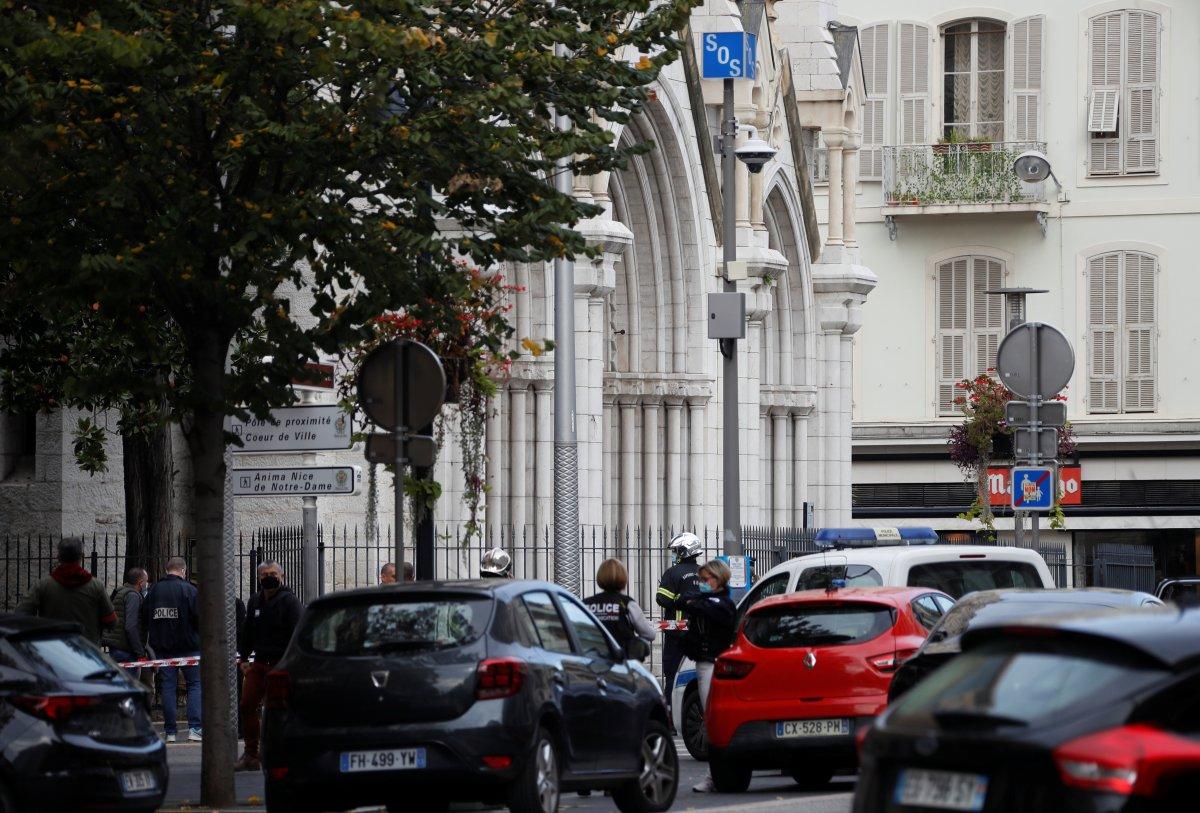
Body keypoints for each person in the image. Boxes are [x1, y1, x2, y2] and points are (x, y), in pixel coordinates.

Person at [235, 561, 304, 771]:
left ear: (281, 576)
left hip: (281, 663)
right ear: (259, 578)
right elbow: (247, 632)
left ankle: (280, 753)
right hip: (259, 663)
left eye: (273, 573)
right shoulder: (255, 601)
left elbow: (298, 633)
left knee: (279, 709)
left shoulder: (290, 602)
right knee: (247, 705)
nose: (268, 577)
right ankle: (251, 754)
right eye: (264, 574)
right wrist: (243, 658)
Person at [682, 559, 736, 793]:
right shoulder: (709, 601)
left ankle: (715, 776)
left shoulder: (722, 604)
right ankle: (716, 774)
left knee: (714, 721)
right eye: (700, 579)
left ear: (719, 579)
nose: (702, 583)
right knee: (710, 719)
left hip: (715, 664)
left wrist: (696, 602)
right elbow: (684, 602)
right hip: (704, 663)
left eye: (706, 579)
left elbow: (703, 608)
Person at [144, 557, 201, 744]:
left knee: (168, 687)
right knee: (194, 684)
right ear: (183, 571)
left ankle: (170, 732)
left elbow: (145, 616)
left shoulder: (153, 591)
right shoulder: (190, 590)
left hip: (162, 648)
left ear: (167, 569)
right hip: (189, 647)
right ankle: (194, 728)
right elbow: (199, 619)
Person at [16, 538, 117, 644]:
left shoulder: (43, 585)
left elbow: (21, 613)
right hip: (87, 651)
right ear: (82, 556)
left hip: (54, 649)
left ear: (58, 557)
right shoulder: (96, 586)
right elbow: (111, 621)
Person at [655, 532, 702, 712]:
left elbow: (661, 599)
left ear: (685, 551)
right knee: (698, 676)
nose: (674, 554)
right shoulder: (705, 573)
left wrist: (677, 600)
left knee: (673, 676)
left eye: (676, 550)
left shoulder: (673, 573)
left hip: (677, 635)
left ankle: (671, 718)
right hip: (699, 635)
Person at [583, 559, 655, 658]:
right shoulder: (627, 603)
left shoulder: (586, 604)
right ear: (624, 578)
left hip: (590, 659)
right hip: (620, 661)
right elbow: (649, 635)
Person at [102, 566, 149, 676]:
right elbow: (130, 626)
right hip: (126, 650)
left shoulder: (120, 591)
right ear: (140, 582)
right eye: (146, 582)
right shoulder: (133, 596)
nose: (147, 585)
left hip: (116, 647)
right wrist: (140, 652)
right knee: (129, 687)